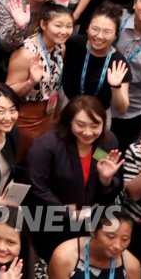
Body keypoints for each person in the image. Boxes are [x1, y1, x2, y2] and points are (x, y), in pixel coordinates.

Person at [27, 96, 123, 254]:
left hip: (88, 220)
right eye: (81, 125)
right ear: (69, 121)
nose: (88, 132)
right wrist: (68, 213)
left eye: (95, 125)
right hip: (51, 221)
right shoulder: (47, 145)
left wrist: (106, 180)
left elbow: (114, 187)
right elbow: (37, 187)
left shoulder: (107, 142)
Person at [6, 2, 74, 160]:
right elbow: (8, 92)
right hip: (25, 117)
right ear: (43, 24)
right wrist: (30, 81)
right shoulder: (26, 53)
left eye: (69, 26)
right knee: (19, 159)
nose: (64, 31)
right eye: (58, 25)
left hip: (48, 113)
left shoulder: (60, 48)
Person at [47, 210, 141, 279]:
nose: (118, 245)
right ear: (92, 230)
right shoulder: (65, 256)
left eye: (125, 239)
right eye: (110, 237)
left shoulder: (131, 266)